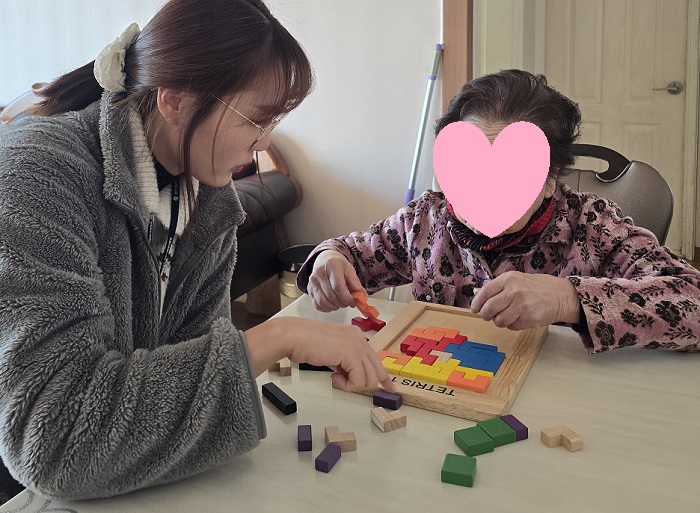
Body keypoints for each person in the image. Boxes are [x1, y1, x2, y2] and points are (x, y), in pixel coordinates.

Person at [0, 0, 394, 502]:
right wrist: (278, 337)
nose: (263, 144)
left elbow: (187, 370)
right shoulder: (36, 175)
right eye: (255, 120)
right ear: (174, 101)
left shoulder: (209, 205)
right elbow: (54, 441)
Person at [298, 69, 700, 353]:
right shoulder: (422, 221)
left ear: (550, 177)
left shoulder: (592, 226)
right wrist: (329, 259)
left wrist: (567, 299)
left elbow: (691, 299)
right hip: (446, 392)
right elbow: (348, 254)